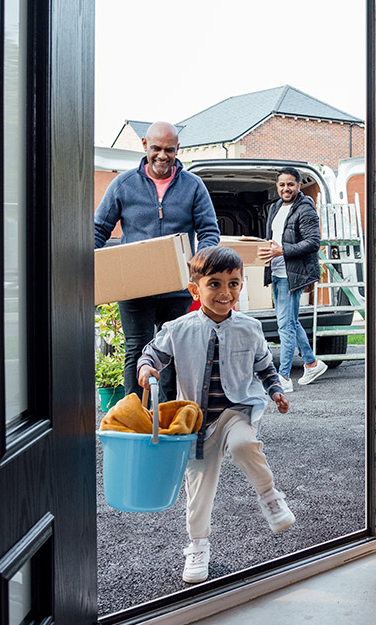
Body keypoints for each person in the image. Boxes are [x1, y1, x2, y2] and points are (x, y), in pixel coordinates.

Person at [137, 246, 295, 584]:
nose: (226, 293)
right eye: (215, 284)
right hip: (195, 424)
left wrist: (276, 390)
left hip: (235, 411)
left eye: (234, 284)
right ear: (195, 289)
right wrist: (147, 367)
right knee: (199, 491)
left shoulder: (249, 328)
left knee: (244, 446)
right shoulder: (178, 328)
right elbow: (153, 352)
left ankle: (269, 496)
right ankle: (197, 545)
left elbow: (264, 366)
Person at [94, 121, 220, 403]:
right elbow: (98, 229)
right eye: (156, 148)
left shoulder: (193, 186)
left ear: (178, 150)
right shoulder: (123, 185)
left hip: (176, 287)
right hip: (134, 288)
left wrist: (200, 261)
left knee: (172, 351)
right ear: (144, 146)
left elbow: (209, 230)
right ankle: (134, 417)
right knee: (136, 350)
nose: (162, 155)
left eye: (169, 150)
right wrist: (88, 265)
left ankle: (167, 416)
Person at [258, 166, 328, 392]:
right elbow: (274, 238)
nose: (286, 188)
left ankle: (284, 378)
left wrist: (282, 251)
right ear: (277, 187)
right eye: (281, 184)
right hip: (277, 273)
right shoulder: (276, 207)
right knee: (291, 321)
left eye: (290, 184)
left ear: (298, 185)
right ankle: (311, 363)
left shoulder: (305, 209)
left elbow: (313, 242)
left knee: (285, 326)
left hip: (292, 274)